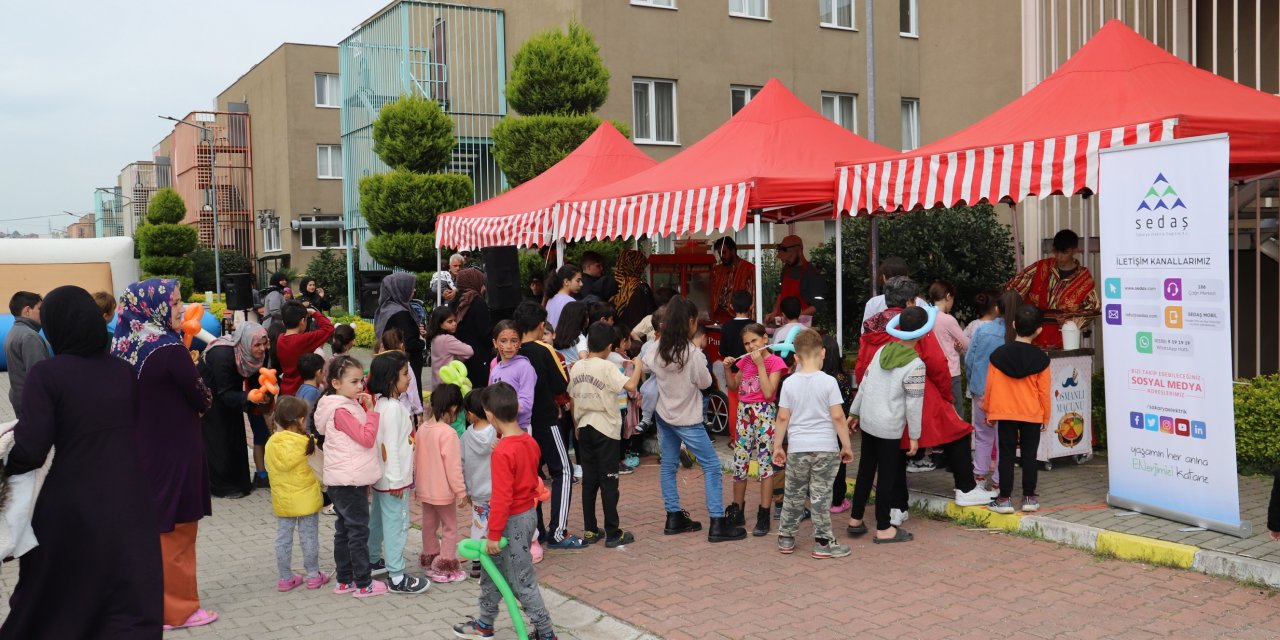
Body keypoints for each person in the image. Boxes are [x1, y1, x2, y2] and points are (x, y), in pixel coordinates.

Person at [0, 286, 164, 639]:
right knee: (125, 590)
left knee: (59, 593)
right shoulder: (123, 371)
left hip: (74, 501)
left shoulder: (49, 375)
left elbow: (32, 449)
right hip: (131, 496)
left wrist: (5, 460)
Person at [111, 278, 218, 630]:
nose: (181, 309)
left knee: (152, 527)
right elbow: (201, 395)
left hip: (138, 448)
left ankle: (150, 603)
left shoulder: (123, 346)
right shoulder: (168, 348)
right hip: (174, 449)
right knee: (178, 528)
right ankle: (178, 611)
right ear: (154, 307)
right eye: (174, 303)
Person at [853, 276, 990, 517]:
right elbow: (937, 363)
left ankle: (897, 506)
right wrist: (948, 395)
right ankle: (966, 488)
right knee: (957, 430)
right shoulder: (914, 324)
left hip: (880, 395)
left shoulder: (871, 326)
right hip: (920, 392)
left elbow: (862, 365)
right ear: (909, 302)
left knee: (891, 450)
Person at [453, 382, 559, 640]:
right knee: (492, 571)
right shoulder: (529, 442)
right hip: (526, 516)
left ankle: (546, 633)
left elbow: (501, 498)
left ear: (489, 414)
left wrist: (493, 535)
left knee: (522, 580)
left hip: (510, 521)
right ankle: (485, 623)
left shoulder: (502, 452)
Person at [645, 296, 746, 543]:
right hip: (687, 418)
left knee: (668, 466)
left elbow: (647, 366)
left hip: (664, 415)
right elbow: (706, 383)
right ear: (690, 322)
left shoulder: (657, 348)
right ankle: (717, 523)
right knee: (711, 466)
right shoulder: (692, 353)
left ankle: (674, 516)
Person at [847, 306, 929, 544]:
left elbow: (864, 384)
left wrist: (855, 412)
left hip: (869, 420)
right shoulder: (916, 365)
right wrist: (915, 436)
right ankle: (884, 527)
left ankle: (855, 519)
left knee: (865, 470)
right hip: (889, 426)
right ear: (923, 334)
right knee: (886, 476)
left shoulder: (882, 349)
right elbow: (914, 405)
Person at [772, 328, 854, 558]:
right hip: (825, 448)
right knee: (821, 496)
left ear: (796, 358)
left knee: (794, 494)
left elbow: (783, 417)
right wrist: (846, 446)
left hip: (798, 448)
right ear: (823, 354)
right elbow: (838, 417)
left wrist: (778, 446)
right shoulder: (829, 382)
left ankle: (786, 538)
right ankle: (823, 543)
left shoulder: (788, 383)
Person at [314, 355, 386, 598]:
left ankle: (345, 580)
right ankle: (363, 582)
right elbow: (366, 438)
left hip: (342, 479)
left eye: (361, 381)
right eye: (354, 381)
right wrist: (373, 413)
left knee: (344, 530)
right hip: (350, 479)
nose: (360, 386)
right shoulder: (342, 410)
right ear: (335, 383)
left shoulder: (341, 406)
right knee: (357, 531)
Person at [512, 301, 580, 550]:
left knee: (532, 475)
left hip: (519, 424)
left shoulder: (511, 350)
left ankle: (536, 531)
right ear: (541, 326)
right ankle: (558, 532)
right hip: (545, 419)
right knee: (563, 471)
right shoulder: (543, 349)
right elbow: (562, 384)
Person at [570, 322, 643, 548]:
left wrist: (576, 426)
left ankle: (591, 529)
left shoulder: (577, 367)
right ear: (610, 346)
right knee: (609, 480)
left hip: (584, 426)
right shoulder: (607, 367)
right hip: (605, 427)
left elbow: (573, 399)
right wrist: (638, 364)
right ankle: (613, 532)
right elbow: (631, 385)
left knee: (590, 480)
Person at [361, 351, 429, 594]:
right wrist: (399, 481)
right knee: (397, 524)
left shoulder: (381, 405)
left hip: (382, 478)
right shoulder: (395, 409)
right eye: (404, 374)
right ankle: (397, 576)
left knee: (378, 519)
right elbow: (390, 448)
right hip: (394, 481)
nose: (409, 379)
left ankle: (372, 558)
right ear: (391, 379)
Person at [984, 305, 1052, 514]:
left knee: (1006, 455)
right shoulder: (1042, 359)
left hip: (1005, 412)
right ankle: (1029, 498)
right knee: (1030, 455)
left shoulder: (998, 355)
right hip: (1031, 413)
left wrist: (989, 410)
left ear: (1013, 325)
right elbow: (1044, 392)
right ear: (1039, 330)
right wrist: (1045, 417)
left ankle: (1004, 499)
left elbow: (990, 386)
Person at [722, 322, 787, 537]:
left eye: (754, 341)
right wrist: (726, 368)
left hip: (764, 415)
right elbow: (733, 386)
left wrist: (760, 365)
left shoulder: (775, 362)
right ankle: (737, 510)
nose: (750, 347)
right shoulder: (745, 362)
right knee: (740, 463)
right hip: (744, 415)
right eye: (746, 343)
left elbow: (769, 393)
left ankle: (764, 514)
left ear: (765, 339)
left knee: (765, 466)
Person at [198, 321, 271, 499]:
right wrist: (247, 397)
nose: (262, 348)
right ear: (246, 343)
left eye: (264, 343)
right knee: (219, 438)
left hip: (231, 392)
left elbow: (256, 380)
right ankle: (221, 487)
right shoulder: (223, 354)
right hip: (210, 396)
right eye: (258, 344)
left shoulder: (258, 353)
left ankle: (240, 483)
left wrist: (262, 397)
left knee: (235, 433)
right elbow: (224, 392)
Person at [266, 396, 330, 592]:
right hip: (306, 499)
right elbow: (321, 471)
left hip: (283, 500)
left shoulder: (270, 444)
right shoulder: (307, 443)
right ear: (302, 420)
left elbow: (269, 468)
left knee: (283, 537)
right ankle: (313, 575)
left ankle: (285, 577)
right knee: (309, 537)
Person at [966, 291, 1022, 493]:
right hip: (1009, 394)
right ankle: (999, 481)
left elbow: (969, 359)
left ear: (997, 309)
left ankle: (979, 477)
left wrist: (973, 382)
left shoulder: (983, 330)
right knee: (1005, 438)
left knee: (982, 436)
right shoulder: (1019, 335)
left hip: (981, 389)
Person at [1006, 228, 1099, 349]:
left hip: (1064, 334)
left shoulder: (1084, 277)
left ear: (1075, 250)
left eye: (1064, 252)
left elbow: (1093, 308)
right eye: (1056, 251)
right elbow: (1014, 288)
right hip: (1034, 331)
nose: (1059, 257)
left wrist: (1071, 319)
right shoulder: (1041, 267)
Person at [415, 383, 468, 583]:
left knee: (428, 525)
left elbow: (416, 460)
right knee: (450, 527)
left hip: (425, 488)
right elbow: (453, 468)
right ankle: (446, 564)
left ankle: (430, 558)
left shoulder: (422, 429)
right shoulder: (448, 433)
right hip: (443, 490)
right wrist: (461, 492)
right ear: (453, 408)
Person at [460, 389, 496, 579]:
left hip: (478, 492)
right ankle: (498, 559)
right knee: (499, 523)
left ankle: (477, 563)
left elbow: (462, 463)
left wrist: (465, 489)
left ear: (471, 414)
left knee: (479, 525)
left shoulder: (466, 437)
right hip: (497, 490)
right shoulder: (496, 433)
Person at [374, 272, 426, 400]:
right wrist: (422, 342)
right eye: (410, 286)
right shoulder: (401, 313)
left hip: (393, 362)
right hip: (406, 365)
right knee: (410, 399)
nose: (413, 290)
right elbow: (409, 343)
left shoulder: (387, 308)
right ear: (400, 288)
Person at [927, 281, 970, 418]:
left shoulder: (926, 317)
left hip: (931, 371)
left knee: (937, 414)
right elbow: (966, 343)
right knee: (955, 414)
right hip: (950, 372)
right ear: (948, 296)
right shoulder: (947, 319)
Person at [4, 291, 49, 420]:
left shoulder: (14, 331)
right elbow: (38, 375)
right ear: (27, 311)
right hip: (33, 402)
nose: (43, 313)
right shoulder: (29, 336)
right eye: (40, 309)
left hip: (20, 397)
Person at [488, 320, 537, 433]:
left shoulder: (524, 367)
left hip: (519, 429)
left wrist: (500, 410)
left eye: (514, 341)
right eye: (503, 341)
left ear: (520, 343)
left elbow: (526, 403)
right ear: (495, 343)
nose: (508, 346)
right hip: (498, 429)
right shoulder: (495, 369)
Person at [277, 301, 334, 397]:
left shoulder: (280, 338)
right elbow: (328, 328)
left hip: (285, 388)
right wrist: (313, 312)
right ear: (303, 322)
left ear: (283, 322)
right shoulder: (302, 340)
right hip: (301, 391)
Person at [766, 235, 824, 327]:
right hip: (783, 324)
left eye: (789, 257)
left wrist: (795, 318)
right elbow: (781, 294)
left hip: (802, 327)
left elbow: (818, 305)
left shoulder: (812, 274)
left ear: (799, 251)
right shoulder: (786, 269)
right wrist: (774, 312)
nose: (786, 261)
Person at [451, 266, 492, 391]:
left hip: (458, 358)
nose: (484, 287)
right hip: (477, 359)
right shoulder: (476, 301)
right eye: (481, 283)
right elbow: (485, 334)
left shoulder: (453, 301)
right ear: (474, 281)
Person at [861, 256, 926, 330]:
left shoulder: (873, 303)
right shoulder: (920, 302)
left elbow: (865, 332)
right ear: (906, 277)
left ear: (884, 277)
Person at [379, 328, 424, 421]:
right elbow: (412, 390)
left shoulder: (380, 364)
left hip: (385, 411)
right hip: (404, 411)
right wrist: (419, 411)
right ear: (402, 345)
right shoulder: (404, 365)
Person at [709, 237, 756, 324]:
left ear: (733, 251)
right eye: (719, 253)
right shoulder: (717, 270)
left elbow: (753, 299)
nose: (721, 256)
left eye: (724, 252)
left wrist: (750, 323)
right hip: (717, 317)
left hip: (738, 317)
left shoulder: (748, 269)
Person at [606, 249, 655, 331]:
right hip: (637, 336)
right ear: (636, 267)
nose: (643, 270)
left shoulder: (613, 285)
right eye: (642, 267)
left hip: (619, 335)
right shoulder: (640, 287)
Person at [428, 306, 474, 390]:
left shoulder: (435, 338)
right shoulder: (447, 339)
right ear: (440, 324)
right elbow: (469, 351)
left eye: (454, 320)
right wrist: (457, 358)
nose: (454, 324)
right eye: (450, 322)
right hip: (449, 382)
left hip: (437, 383)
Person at [553, 300, 591, 366]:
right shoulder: (579, 339)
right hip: (573, 374)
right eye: (587, 316)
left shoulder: (555, 336)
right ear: (581, 319)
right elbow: (584, 359)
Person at [545, 264, 583, 329]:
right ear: (566, 282)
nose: (581, 284)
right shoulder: (571, 302)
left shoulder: (550, 300)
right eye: (578, 280)